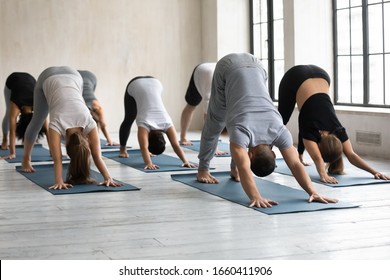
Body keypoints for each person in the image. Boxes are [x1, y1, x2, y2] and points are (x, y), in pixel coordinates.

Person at [197, 53, 338, 208]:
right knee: (216, 121)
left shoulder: (280, 130)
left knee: (232, 137)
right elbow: (246, 166)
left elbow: (296, 164)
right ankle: (203, 169)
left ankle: (227, 169)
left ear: (273, 154)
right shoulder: (242, 132)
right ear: (251, 155)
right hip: (228, 67)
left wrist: (313, 191)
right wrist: (255, 196)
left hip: (257, 65)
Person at [278, 64, 389, 183]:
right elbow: (318, 158)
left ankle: (292, 154)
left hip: (322, 74)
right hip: (294, 77)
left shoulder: (338, 129)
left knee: (297, 119)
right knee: (280, 121)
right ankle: (268, 153)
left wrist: (375, 172)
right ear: (319, 147)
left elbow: (351, 155)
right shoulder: (314, 131)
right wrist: (323, 175)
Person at [21, 66, 122, 190]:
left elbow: (95, 156)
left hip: (74, 75)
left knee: (39, 121)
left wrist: (108, 177)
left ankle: (27, 158)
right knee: (37, 120)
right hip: (48, 77)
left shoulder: (90, 122)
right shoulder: (57, 124)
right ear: (66, 144)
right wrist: (108, 178)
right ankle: (26, 159)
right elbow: (57, 159)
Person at [119, 76, 196, 170]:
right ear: (148, 139)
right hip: (136, 84)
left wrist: (186, 161)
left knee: (130, 118)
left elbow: (175, 144)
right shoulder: (144, 123)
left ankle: (123, 149)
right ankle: (123, 149)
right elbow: (143, 147)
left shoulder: (167, 122)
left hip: (156, 82)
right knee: (129, 118)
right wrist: (148, 163)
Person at [1, 72, 48, 159]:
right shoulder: (16, 104)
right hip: (12, 79)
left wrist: (54, 153)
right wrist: (12, 153)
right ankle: (4, 141)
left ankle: (5, 141)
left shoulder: (39, 104)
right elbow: (12, 131)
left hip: (30, 78)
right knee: (9, 113)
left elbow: (46, 129)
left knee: (44, 124)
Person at [78, 70, 117, 146]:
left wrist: (109, 140)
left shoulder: (97, 107)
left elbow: (103, 124)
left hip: (90, 78)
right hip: (78, 76)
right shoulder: (80, 108)